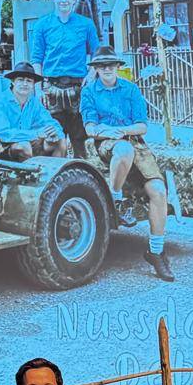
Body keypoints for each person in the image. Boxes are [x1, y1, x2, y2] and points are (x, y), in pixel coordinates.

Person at [81, 49, 171, 281]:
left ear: (117, 66)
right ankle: (116, 199)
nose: (108, 69)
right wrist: (111, 133)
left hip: (134, 141)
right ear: (96, 69)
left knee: (159, 192)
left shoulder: (130, 89)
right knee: (123, 150)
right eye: (102, 66)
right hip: (106, 144)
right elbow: (90, 129)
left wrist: (123, 131)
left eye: (111, 65)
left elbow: (142, 126)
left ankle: (156, 251)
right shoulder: (89, 91)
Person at [28, 0, 101, 157]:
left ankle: (81, 177)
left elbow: (97, 54)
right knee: (54, 138)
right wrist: (38, 88)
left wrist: (91, 75)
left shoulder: (86, 24)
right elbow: (36, 58)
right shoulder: (42, 25)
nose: (63, 0)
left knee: (79, 138)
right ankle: (57, 178)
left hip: (78, 87)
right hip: (51, 88)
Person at [0, 62, 64, 160]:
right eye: (20, 80)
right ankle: (30, 175)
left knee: (60, 142)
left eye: (29, 81)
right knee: (24, 146)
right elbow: (4, 134)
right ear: (13, 82)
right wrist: (37, 134)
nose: (25, 84)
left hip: (25, 141)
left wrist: (54, 133)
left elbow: (49, 122)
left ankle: (53, 174)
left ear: (33, 84)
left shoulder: (34, 102)